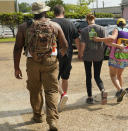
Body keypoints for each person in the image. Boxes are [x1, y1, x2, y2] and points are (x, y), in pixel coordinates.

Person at [13, 2, 68, 131]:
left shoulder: (23, 27)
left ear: (34, 12)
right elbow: (65, 45)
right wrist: (59, 54)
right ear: (45, 12)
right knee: (52, 91)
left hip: (32, 62)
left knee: (35, 89)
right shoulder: (54, 25)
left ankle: (37, 116)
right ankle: (53, 121)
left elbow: (17, 48)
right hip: (51, 61)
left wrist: (16, 67)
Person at [93, 18, 128, 102]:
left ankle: (120, 90)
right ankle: (120, 93)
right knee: (119, 75)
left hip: (115, 56)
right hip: (126, 57)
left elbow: (112, 39)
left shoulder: (116, 29)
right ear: (125, 24)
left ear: (117, 24)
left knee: (113, 75)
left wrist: (98, 39)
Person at [52, 5, 80, 112]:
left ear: (54, 13)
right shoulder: (70, 23)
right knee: (65, 77)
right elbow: (77, 39)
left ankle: (60, 97)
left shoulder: (51, 23)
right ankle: (62, 99)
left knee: (54, 78)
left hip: (54, 54)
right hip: (68, 54)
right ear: (64, 12)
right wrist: (80, 52)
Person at [79, 14, 107, 104]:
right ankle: (102, 90)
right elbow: (106, 41)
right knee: (97, 76)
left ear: (87, 19)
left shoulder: (84, 31)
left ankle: (90, 97)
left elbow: (82, 45)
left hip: (87, 56)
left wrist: (80, 54)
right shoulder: (102, 29)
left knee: (88, 76)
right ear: (94, 19)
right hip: (99, 55)